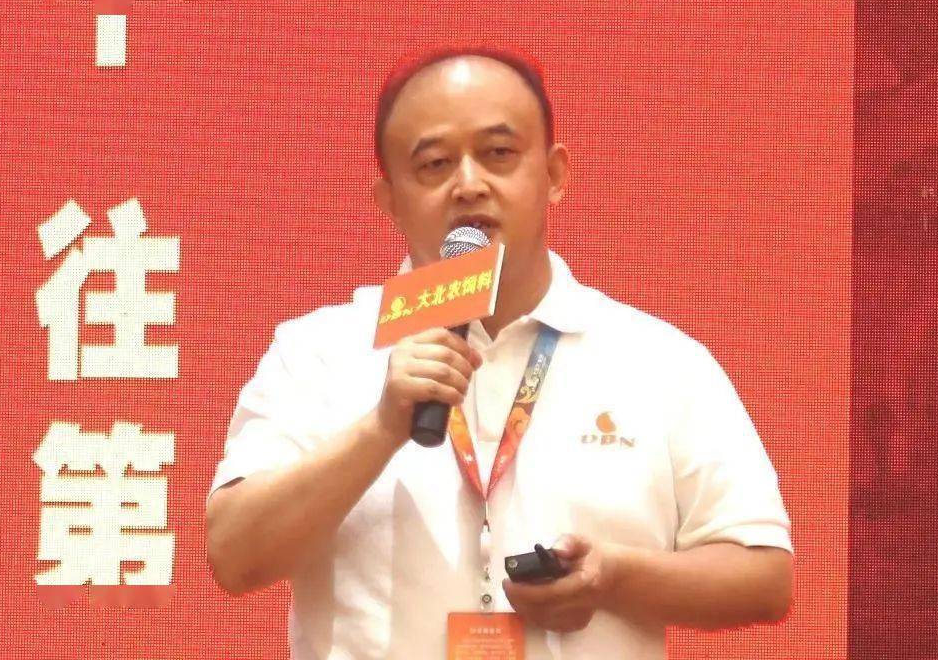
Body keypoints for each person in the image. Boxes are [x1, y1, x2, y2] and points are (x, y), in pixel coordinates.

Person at [205, 46, 793, 659]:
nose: (469, 184)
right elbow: (234, 556)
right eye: (434, 164)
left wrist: (615, 579)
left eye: (499, 154)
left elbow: (763, 577)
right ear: (390, 200)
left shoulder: (657, 359)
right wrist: (381, 428)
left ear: (554, 175)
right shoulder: (318, 352)